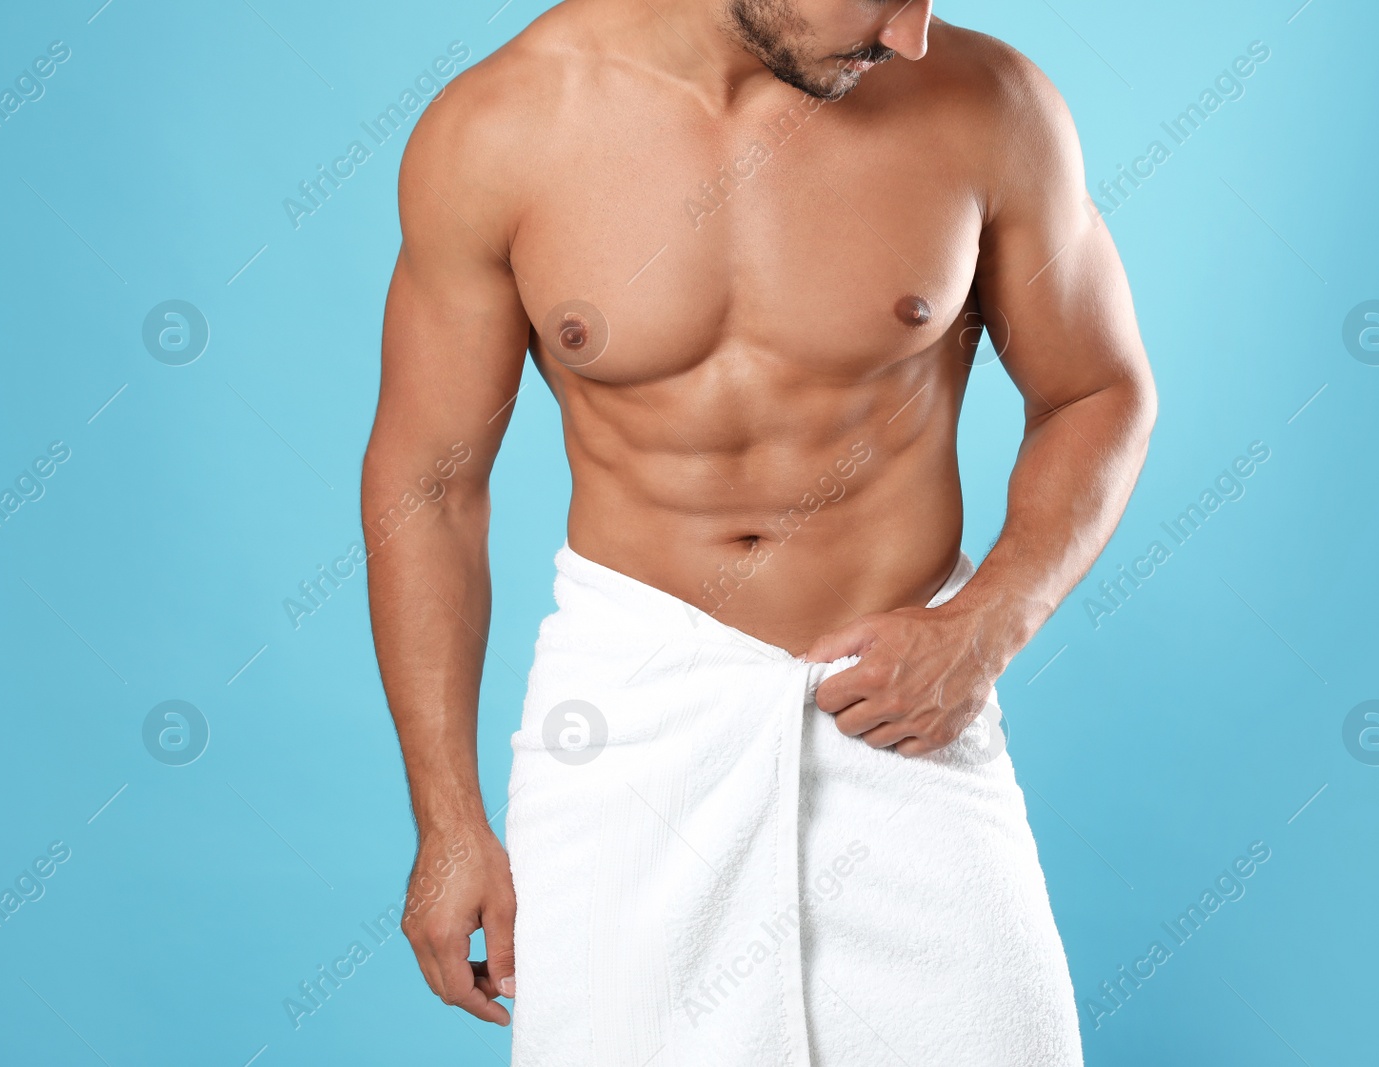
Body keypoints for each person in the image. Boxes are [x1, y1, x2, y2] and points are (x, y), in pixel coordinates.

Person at [360, 0, 1155, 1060]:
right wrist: (448, 817)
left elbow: (1098, 388)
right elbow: (428, 484)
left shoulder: (988, 104)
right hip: (632, 723)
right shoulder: (499, 130)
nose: (912, 34)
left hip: (901, 706)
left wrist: (988, 623)